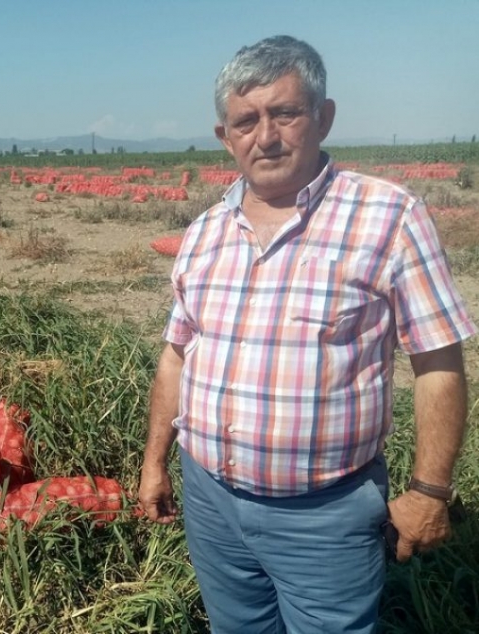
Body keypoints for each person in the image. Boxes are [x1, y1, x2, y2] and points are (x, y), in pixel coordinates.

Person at [138, 34, 476, 633]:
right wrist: (154, 465)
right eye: (245, 121)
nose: (264, 136)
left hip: (326, 513)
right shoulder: (204, 232)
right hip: (210, 499)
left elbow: (438, 362)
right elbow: (175, 357)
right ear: (225, 137)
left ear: (323, 117)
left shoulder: (389, 216)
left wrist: (430, 490)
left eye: (284, 113)